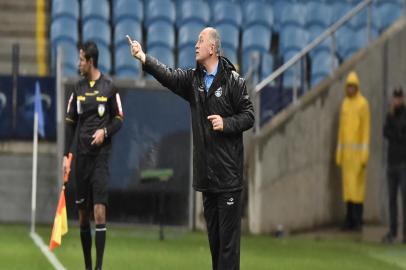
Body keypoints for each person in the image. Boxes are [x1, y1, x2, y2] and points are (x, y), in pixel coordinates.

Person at [127, 27, 254, 270]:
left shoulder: (234, 81)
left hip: (229, 179)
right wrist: (144, 58)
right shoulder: (193, 80)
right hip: (207, 178)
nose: (196, 44)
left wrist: (226, 123)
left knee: (228, 250)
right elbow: (169, 75)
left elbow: (249, 116)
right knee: (216, 247)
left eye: (201, 40)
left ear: (213, 48)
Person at [63, 41, 124, 270]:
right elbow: (70, 123)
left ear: (90, 61)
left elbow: (119, 118)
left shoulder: (109, 87)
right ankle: (88, 266)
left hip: (100, 158)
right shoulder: (77, 89)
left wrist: (105, 131)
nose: (78, 63)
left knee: (99, 212)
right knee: (82, 216)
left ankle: (98, 267)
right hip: (81, 159)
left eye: (81, 59)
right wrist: (65, 156)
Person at [336, 71, 370, 231]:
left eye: (352, 87)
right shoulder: (344, 104)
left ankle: (358, 220)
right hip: (347, 156)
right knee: (348, 190)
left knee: (357, 189)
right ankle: (349, 219)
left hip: (357, 156)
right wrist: (339, 153)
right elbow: (341, 132)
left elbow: (365, 131)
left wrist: (364, 154)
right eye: (348, 87)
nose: (350, 89)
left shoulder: (363, 104)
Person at [382, 87, 406, 244]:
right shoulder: (390, 115)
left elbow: (399, 134)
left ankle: (405, 233)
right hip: (391, 162)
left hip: (403, 163)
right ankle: (392, 231)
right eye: (395, 97)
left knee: (404, 199)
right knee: (391, 199)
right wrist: (390, 117)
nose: (396, 100)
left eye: (399, 97)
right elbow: (386, 133)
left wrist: (394, 128)